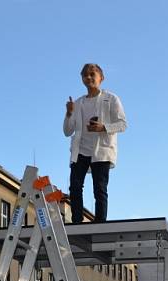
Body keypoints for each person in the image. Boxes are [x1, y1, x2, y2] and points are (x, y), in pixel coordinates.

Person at [63, 62, 127, 223]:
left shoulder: (111, 98)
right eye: (85, 75)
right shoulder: (77, 103)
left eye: (92, 74)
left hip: (102, 150)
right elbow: (67, 131)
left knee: (99, 188)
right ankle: (77, 221)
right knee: (75, 187)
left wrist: (103, 127)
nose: (89, 77)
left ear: (101, 77)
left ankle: (100, 223)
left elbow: (122, 124)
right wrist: (69, 113)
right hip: (80, 150)